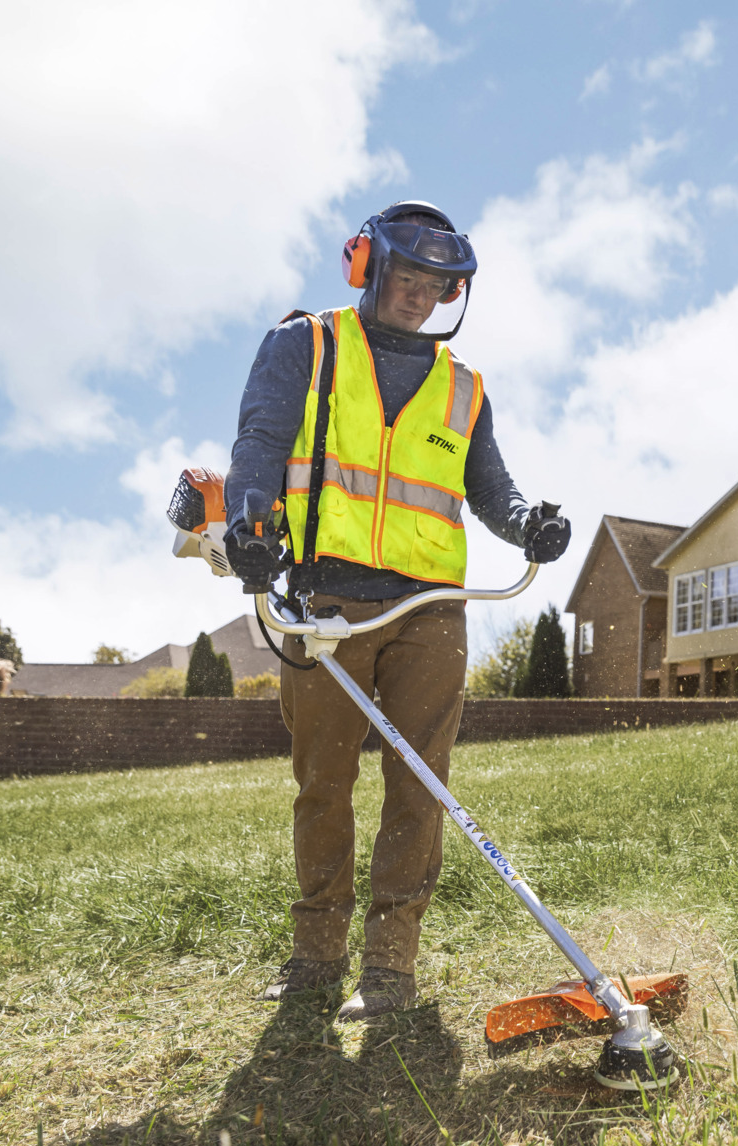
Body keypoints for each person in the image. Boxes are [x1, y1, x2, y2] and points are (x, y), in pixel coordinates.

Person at [222, 200, 570, 1021]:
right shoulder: (303, 346)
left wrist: (528, 524)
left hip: (431, 611)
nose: (420, 295)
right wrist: (246, 523)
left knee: (420, 790)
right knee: (324, 783)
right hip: (327, 603)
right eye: (408, 276)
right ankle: (315, 959)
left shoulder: (463, 387)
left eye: (438, 284)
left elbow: (491, 488)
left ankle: (389, 970)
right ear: (366, 266)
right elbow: (260, 445)